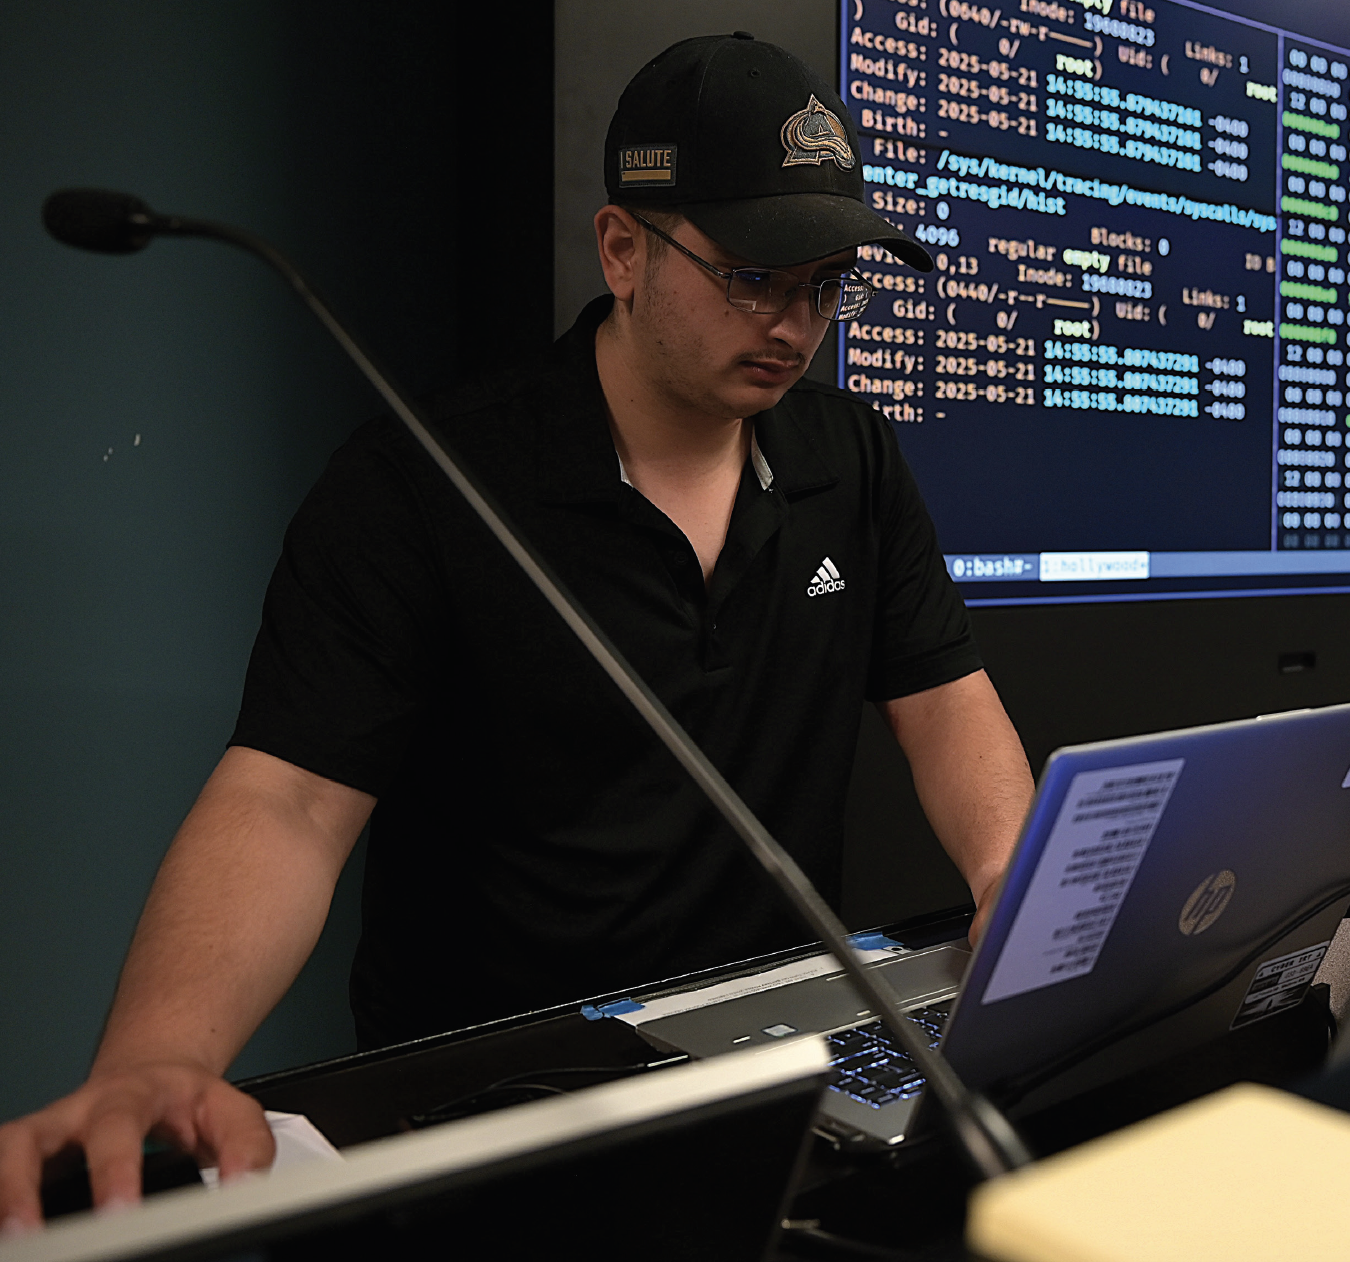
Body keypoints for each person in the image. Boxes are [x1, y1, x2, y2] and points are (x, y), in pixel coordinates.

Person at [0, 33, 1033, 1231]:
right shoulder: (423, 481)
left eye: (824, 283)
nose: (796, 323)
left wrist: (1007, 869)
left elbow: (946, 694)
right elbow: (286, 800)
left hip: (774, 1075)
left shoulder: (851, 457)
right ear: (622, 248)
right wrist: (155, 1056)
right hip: (506, 1109)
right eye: (752, 275)